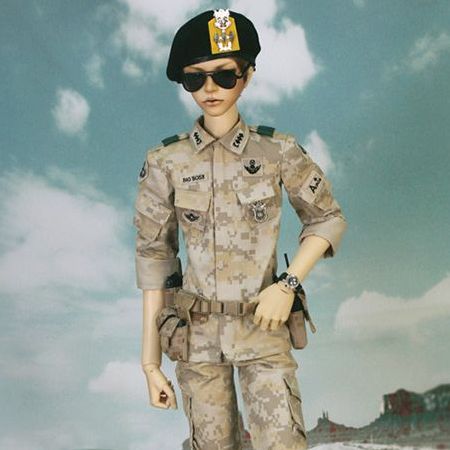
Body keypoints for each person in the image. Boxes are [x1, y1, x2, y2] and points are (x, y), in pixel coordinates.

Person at [133, 8, 347, 450]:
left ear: (247, 76)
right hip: (196, 339)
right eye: (195, 79)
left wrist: (288, 284)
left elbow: (327, 217)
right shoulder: (166, 162)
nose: (210, 89)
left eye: (224, 76)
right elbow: (155, 257)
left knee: (282, 443)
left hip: (264, 328)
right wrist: (149, 363)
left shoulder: (277, 151)